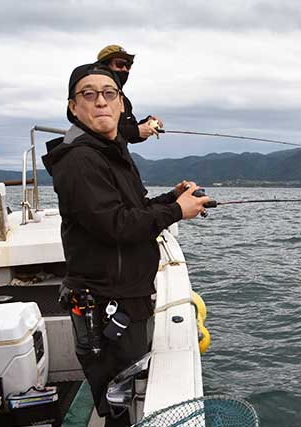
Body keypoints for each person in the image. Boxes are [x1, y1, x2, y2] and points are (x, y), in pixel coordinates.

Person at [41, 63, 209, 426]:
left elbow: (133, 210)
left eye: (109, 93)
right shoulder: (80, 160)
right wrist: (178, 211)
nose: (100, 100)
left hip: (126, 295)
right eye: (89, 94)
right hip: (105, 304)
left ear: (120, 104)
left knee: (128, 388)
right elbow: (116, 225)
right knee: (119, 399)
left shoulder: (110, 152)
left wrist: (172, 199)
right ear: (73, 107)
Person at [96, 44, 162, 143]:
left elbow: (132, 136)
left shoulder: (123, 100)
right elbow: (97, 129)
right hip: (93, 155)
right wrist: (136, 131)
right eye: (119, 64)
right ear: (104, 66)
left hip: (115, 156)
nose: (125, 69)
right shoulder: (92, 94)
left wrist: (146, 125)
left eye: (128, 66)